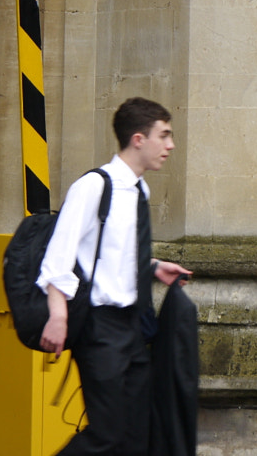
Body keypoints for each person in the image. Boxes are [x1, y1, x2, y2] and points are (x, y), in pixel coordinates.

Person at [38, 97, 192, 455]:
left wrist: (153, 267)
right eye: (164, 135)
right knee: (106, 434)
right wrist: (58, 316)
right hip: (100, 328)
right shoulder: (93, 187)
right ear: (138, 139)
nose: (170, 146)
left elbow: (114, 253)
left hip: (133, 327)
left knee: (135, 437)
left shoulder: (139, 189)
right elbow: (57, 256)